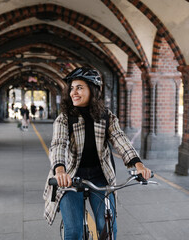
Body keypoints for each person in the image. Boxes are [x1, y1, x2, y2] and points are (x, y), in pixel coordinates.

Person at [43, 67, 151, 240]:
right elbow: (58, 144)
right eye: (72, 88)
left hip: (100, 176)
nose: (73, 92)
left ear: (93, 90)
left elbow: (120, 139)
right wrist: (60, 170)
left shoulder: (106, 116)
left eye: (79, 87)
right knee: (74, 232)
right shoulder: (64, 118)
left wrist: (138, 165)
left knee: (107, 228)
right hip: (70, 176)